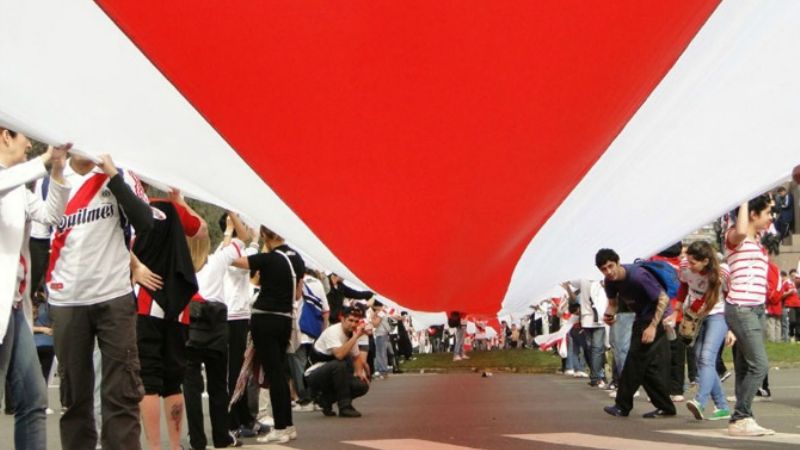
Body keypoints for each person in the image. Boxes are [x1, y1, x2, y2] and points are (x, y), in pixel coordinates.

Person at [0, 130, 71, 450]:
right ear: (5, 137)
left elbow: (50, 215)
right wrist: (44, 159)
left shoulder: (19, 186)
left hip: (14, 309)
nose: (30, 145)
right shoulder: (11, 180)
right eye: (24, 138)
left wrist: (56, 171)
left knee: (34, 398)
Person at [132, 189, 206, 450]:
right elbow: (201, 229)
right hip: (178, 306)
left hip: (145, 301)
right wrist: (181, 201)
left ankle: (154, 446)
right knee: (174, 378)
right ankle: (174, 445)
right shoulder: (176, 210)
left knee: (148, 378)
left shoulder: (134, 208)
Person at [232, 226, 305, 445]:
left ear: (265, 236)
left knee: (273, 375)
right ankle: (288, 425)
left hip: (265, 318)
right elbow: (298, 292)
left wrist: (233, 237)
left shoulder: (267, 259)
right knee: (280, 373)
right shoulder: (297, 258)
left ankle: (281, 427)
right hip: (285, 319)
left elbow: (236, 261)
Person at [183, 212, 248, 449]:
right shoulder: (217, 260)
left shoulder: (182, 264)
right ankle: (221, 435)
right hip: (216, 330)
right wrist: (231, 220)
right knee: (218, 386)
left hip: (190, 329)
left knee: (191, 387)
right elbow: (245, 238)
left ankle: (196, 438)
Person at [596, 248, 675, 419]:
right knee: (643, 367)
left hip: (658, 317)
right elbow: (613, 303)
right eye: (604, 269)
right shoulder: (610, 281)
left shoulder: (638, 276)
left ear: (617, 262)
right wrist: (609, 315)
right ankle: (665, 406)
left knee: (633, 361)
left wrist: (653, 327)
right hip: (641, 318)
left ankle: (622, 406)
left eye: (611, 266)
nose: (609, 272)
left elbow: (663, 299)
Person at [724, 197, 774, 436]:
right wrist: (744, 195)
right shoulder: (735, 237)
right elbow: (742, 228)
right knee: (760, 365)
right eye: (767, 212)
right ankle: (740, 416)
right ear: (753, 214)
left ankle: (745, 418)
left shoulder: (758, 241)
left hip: (756, 308)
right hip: (741, 306)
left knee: (745, 366)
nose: (771, 217)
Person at [670, 241, 732, 421]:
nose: (689, 265)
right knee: (700, 358)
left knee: (706, 357)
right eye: (687, 261)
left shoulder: (722, 273)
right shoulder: (684, 266)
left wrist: (732, 328)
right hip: (695, 315)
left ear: (705, 261)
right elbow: (683, 286)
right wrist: (677, 310)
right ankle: (722, 406)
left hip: (718, 314)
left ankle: (700, 402)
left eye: (693, 263)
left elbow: (730, 297)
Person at [305, 306, 370, 417]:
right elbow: (339, 355)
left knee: (362, 385)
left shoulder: (350, 335)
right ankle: (345, 407)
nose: (353, 324)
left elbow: (356, 357)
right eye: (350, 320)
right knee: (339, 365)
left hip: (333, 373)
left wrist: (359, 372)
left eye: (356, 321)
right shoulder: (333, 332)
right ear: (342, 319)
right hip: (313, 374)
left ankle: (325, 400)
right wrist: (355, 337)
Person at [563, 280, 608, 387]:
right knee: (589, 349)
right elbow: (573, 300)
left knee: (597, 348)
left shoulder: (601, 280)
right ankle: (597, 375)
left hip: (600, 321)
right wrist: (568, 288)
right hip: (587, 321)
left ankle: (598, 376)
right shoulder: (583, 280)